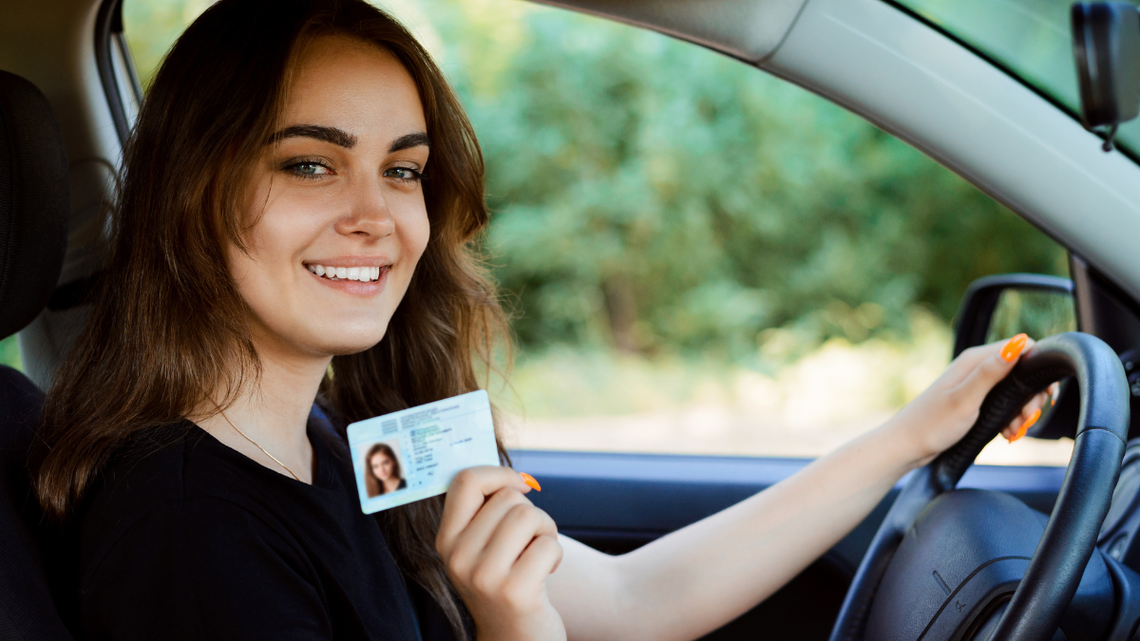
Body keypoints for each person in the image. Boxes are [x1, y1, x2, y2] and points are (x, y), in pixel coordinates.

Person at [30, 1, 1053, 639]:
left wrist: (912, 431)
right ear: (191, 194)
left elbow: (642, 599)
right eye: (309, 162)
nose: (375, 215)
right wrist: (516, 626)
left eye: (403, 170)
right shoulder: (186, 533)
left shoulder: (339, 443)